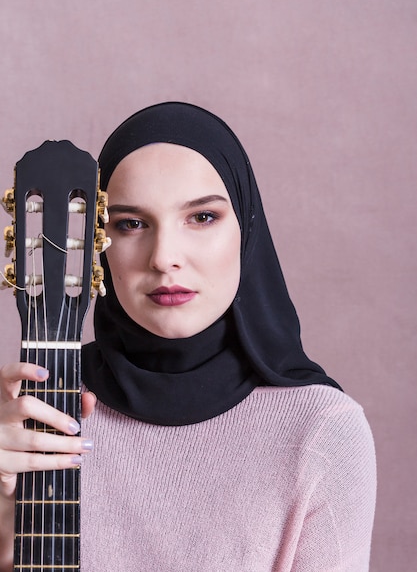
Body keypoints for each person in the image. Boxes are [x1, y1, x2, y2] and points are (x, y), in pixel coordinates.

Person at [0, 102, 376, 571]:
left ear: (246, 228)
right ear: (96, 246)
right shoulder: (39, 410)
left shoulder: (321, 434)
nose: (164, 258)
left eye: (201, 218)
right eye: (131, 224)